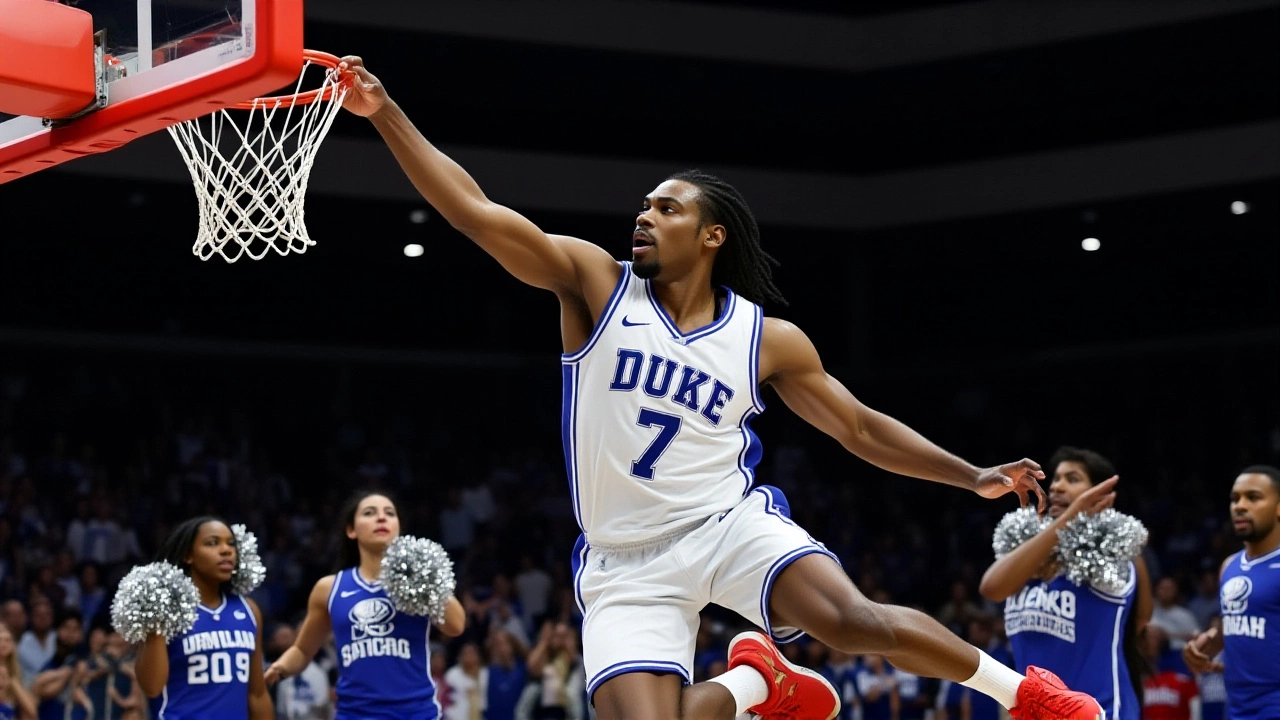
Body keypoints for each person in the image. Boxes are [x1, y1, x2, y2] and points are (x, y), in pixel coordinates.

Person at [335, 55, 1106, 720]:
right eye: (644, 205)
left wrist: (970, 475)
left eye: (666, 207)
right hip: (623, 559)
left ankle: (1026, 695)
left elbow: (859, 428)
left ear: (711, 236)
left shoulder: (766, 339)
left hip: (724, 523)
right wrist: (385, 112)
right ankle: (755, 683)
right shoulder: (595, 284)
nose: (644, 215)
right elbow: (474, 212)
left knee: (852, 620)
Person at [979, 446, 1153, 720]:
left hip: (1102, 712)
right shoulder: (1026, 555)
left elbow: (1140, 619)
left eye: (1072, 479)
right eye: (1056, 478)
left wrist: (1073, 518)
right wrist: (1064, 523)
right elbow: (991, 588)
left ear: (1100, 494)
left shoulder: (1116, 556)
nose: (1057, 486)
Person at [263, 490, 466, 720]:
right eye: (369, 513)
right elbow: (302, 650)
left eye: (389, 513)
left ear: (398, 528)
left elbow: (456, 626)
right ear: (351, 530)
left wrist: (425, 578)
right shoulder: (329, 588)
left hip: (416, 715)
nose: (381, 518)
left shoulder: (416, 577)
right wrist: (279, 667)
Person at [133, 517, 273, 720]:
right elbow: (151, 688)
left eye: (231, 543)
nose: (226, 550)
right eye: (212, 543)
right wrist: (155, 625)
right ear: (188, 555)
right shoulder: (167, 610)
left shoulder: (249, 610)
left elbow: (257, 694)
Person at [1183, 465, 1280, 720]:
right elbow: (1237, 625)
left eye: (1253, 497)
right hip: (1236, 708)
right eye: (1235, 499)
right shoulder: (1229, 565)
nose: (1240, 506)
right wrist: (1209, 642)